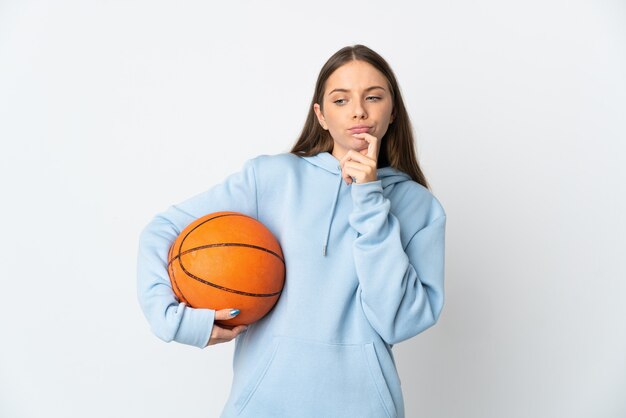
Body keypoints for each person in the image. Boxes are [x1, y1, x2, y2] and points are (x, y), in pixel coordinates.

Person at [137, 44, 446, 418]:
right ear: (321, 115)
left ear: (392, 110)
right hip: (261, 407)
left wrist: (368, 196)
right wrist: (177, 322)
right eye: (340, 99)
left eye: (373, 97)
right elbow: (163, 229)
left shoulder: (419, 207)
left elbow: (398, 320)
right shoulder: (270, 179)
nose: (359, 111)